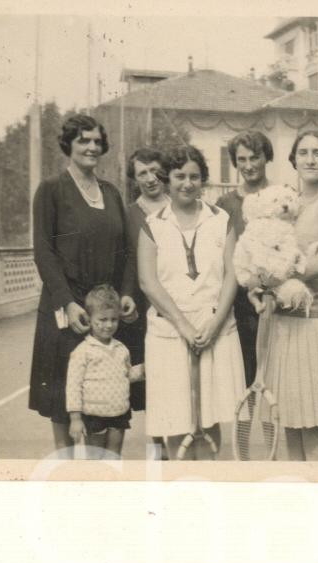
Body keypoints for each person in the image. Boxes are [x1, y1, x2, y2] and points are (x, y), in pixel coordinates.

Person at [29, 113, 136, 452]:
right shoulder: (51, 190)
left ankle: (102, 480)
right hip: (67, 309)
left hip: (103, 309)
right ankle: (65, 477)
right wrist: (67, 301)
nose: (92, 147)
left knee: (107, 397)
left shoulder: (111, 192)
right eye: (83, 140)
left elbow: (127, 251)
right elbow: (44, 251)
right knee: (63, 401)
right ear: (69, 145)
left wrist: (128, 294)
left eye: (96, 141)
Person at [138, 144, 245, 459]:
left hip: (216, 329)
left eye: (195, 176)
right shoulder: (152, 224)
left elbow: (231, 274)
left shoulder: (221, 219)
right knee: (175, 423)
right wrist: (184, 326)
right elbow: (148, 282)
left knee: (210, 419)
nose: (187, 183)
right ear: (167, 179)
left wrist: (214, 324)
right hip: (169, 333)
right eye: (179, 175)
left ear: (203, 180)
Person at [261, 130, 318, 462]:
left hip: (317, 322)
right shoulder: (285, 200)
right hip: (282, 322)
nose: (310, 160)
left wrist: (273, 273)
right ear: (293, 159)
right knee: (290, 418)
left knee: (314, 419)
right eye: (303, 153)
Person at [215, 131, 273, 388]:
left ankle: (273, 430)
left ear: (266, 157)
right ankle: (245, 429)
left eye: (255, 157)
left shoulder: (282, 196)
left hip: (274, 302)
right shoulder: (224, 204)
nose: (248, 165)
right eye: (241, 159)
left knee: (274, 381)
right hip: (238, 306)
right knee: (243, 382)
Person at [121, 148, 169, 457]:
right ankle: (157, 445)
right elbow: (125, 259)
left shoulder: (179, 206)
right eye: (142, 173)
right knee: (149, 378)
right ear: (134, 178)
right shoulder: (128, 213)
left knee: (173, 374)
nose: (150, 178)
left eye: (154, 170)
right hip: (140, 306)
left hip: (174, 302)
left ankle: (176, 438)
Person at [66, 285, 145, 457]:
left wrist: (144, 370)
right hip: (94, 416)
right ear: (89, 318)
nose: (108, 325)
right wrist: (75, 419)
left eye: (113, 319)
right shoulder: (83, 351)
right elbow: (73, 386)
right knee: (96, 459)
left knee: (114, 456)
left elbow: (125, 375)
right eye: (102, 319)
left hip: (119, 413)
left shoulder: (121, 348)